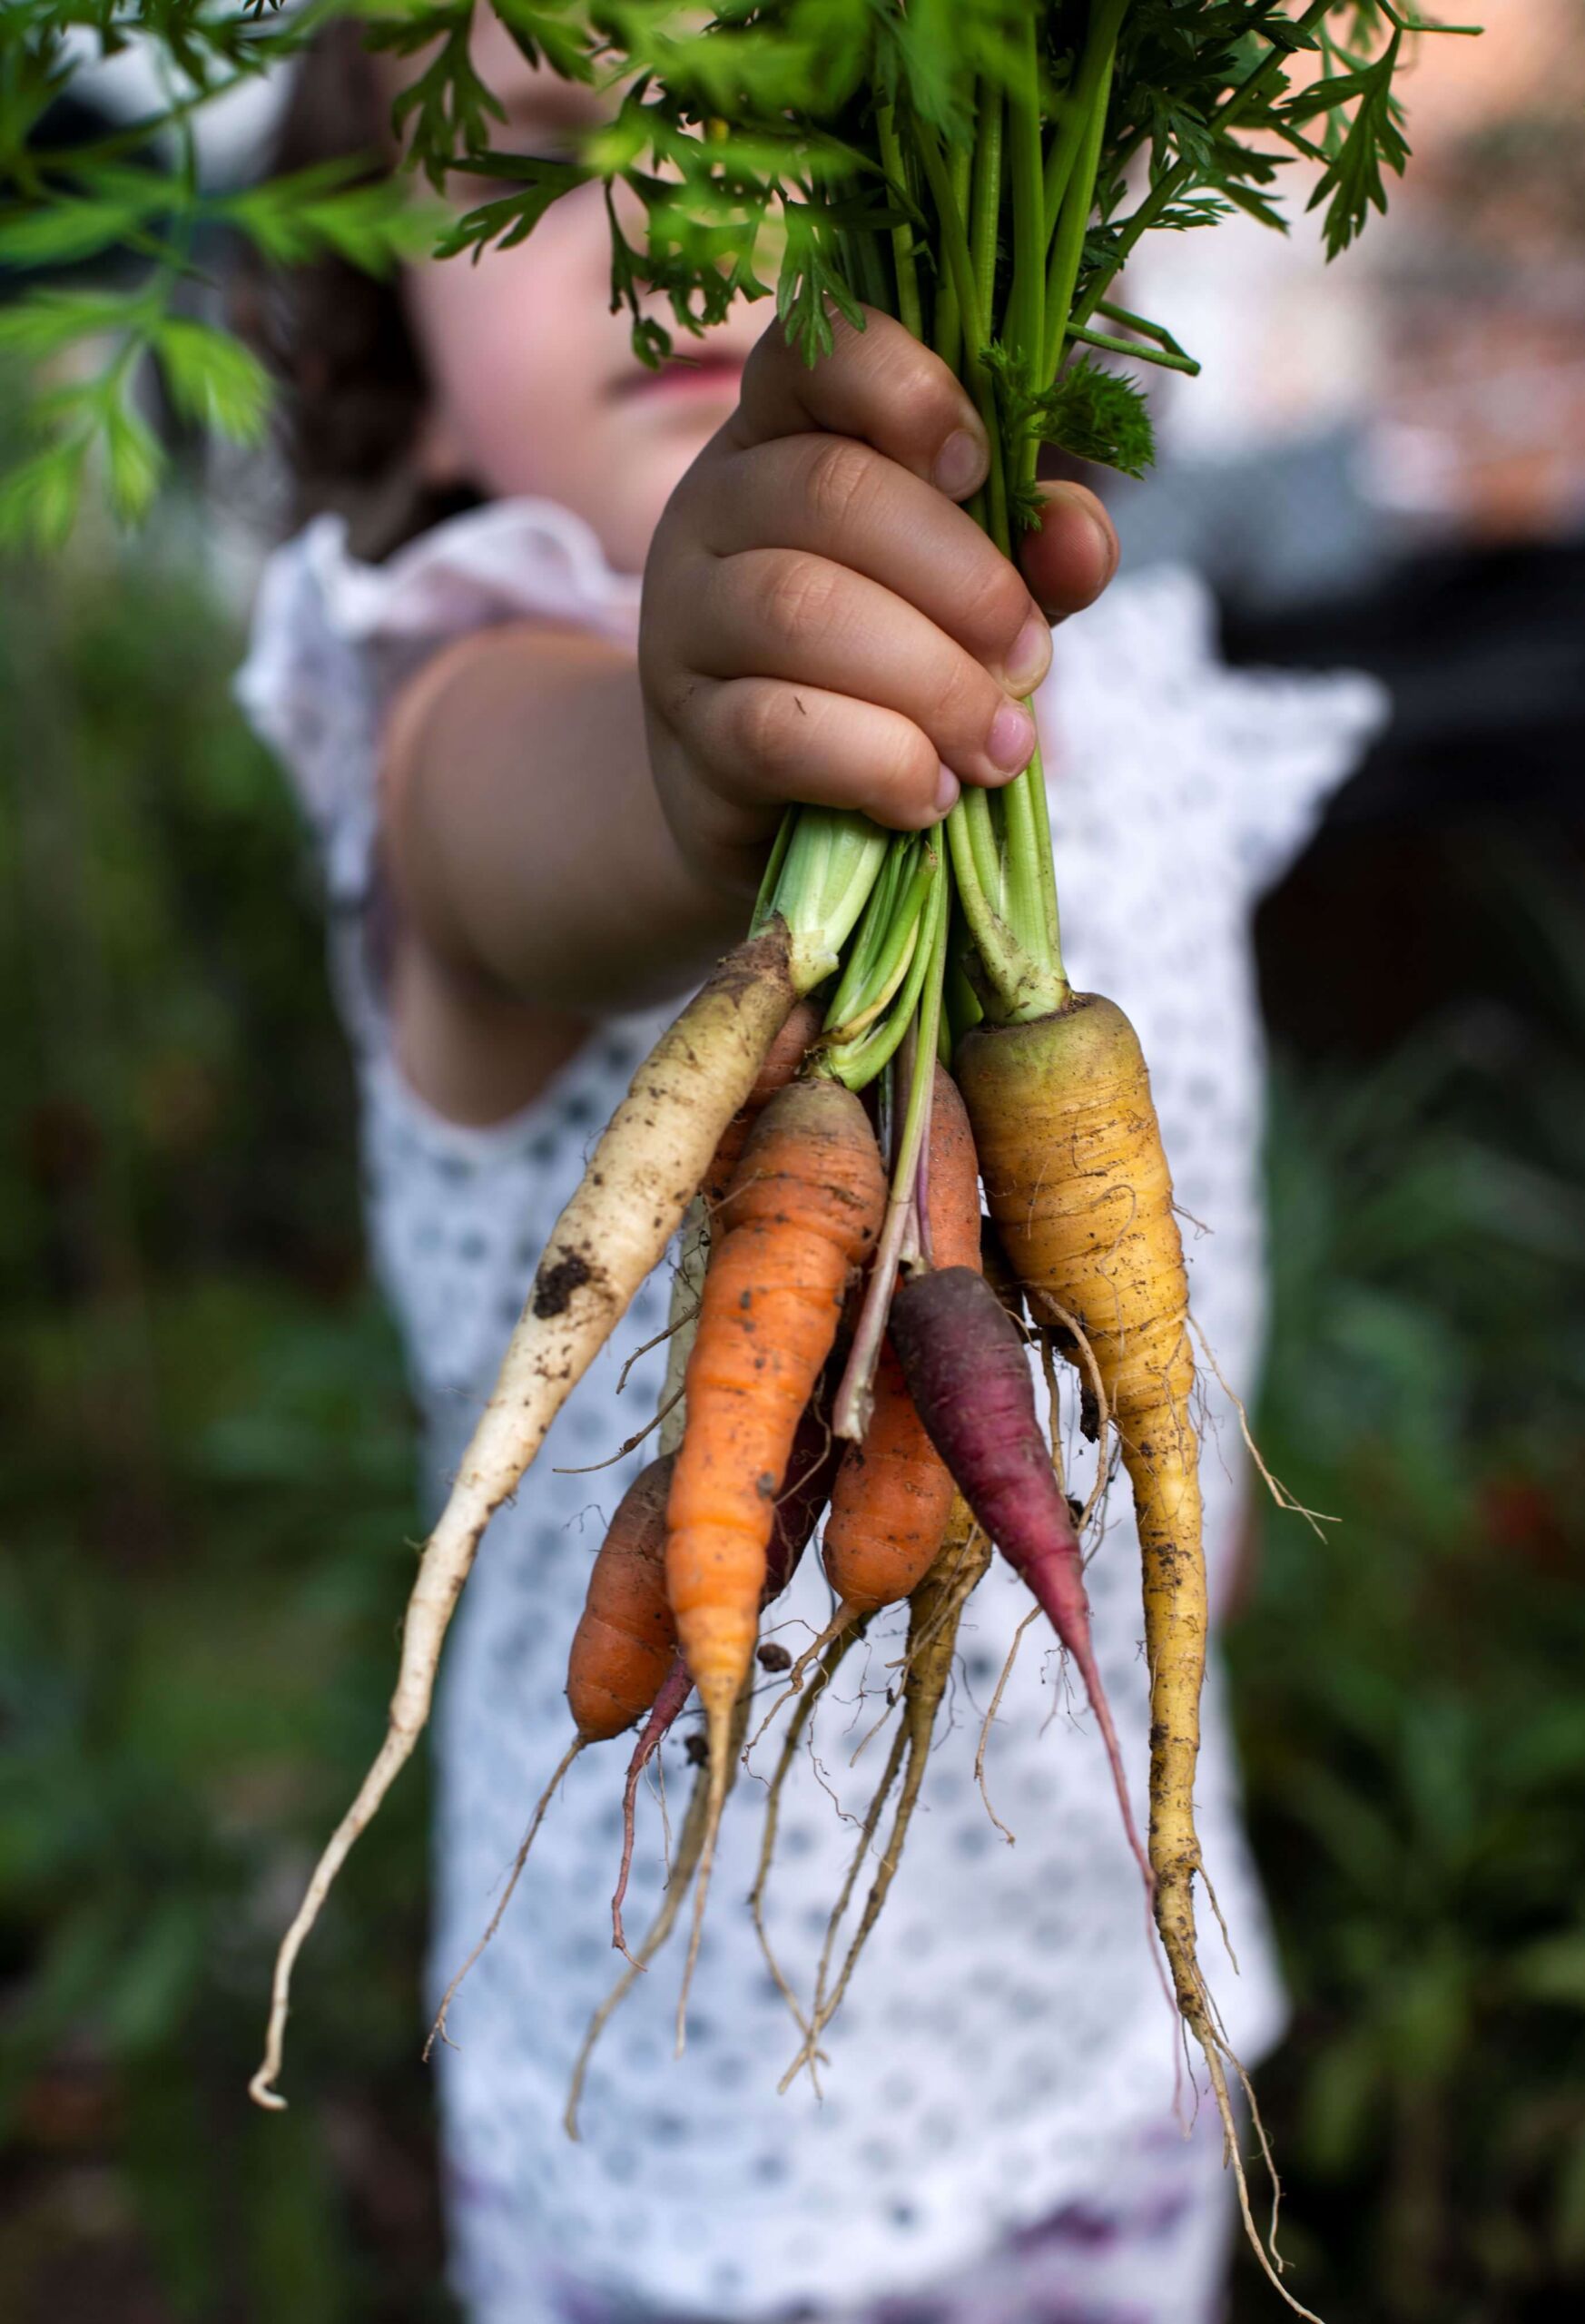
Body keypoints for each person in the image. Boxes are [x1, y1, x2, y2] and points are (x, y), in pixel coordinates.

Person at [238, 20, 1383, 2324]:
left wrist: (1189, 1561)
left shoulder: (1108, 681)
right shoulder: (462, 699)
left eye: (764, 138)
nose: (666, 235)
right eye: (533, 163)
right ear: (407, 367)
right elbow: (544, 830)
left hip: (1094, 2050)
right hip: (664, 2172)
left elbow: (1187, 1280)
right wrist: (695, 769)